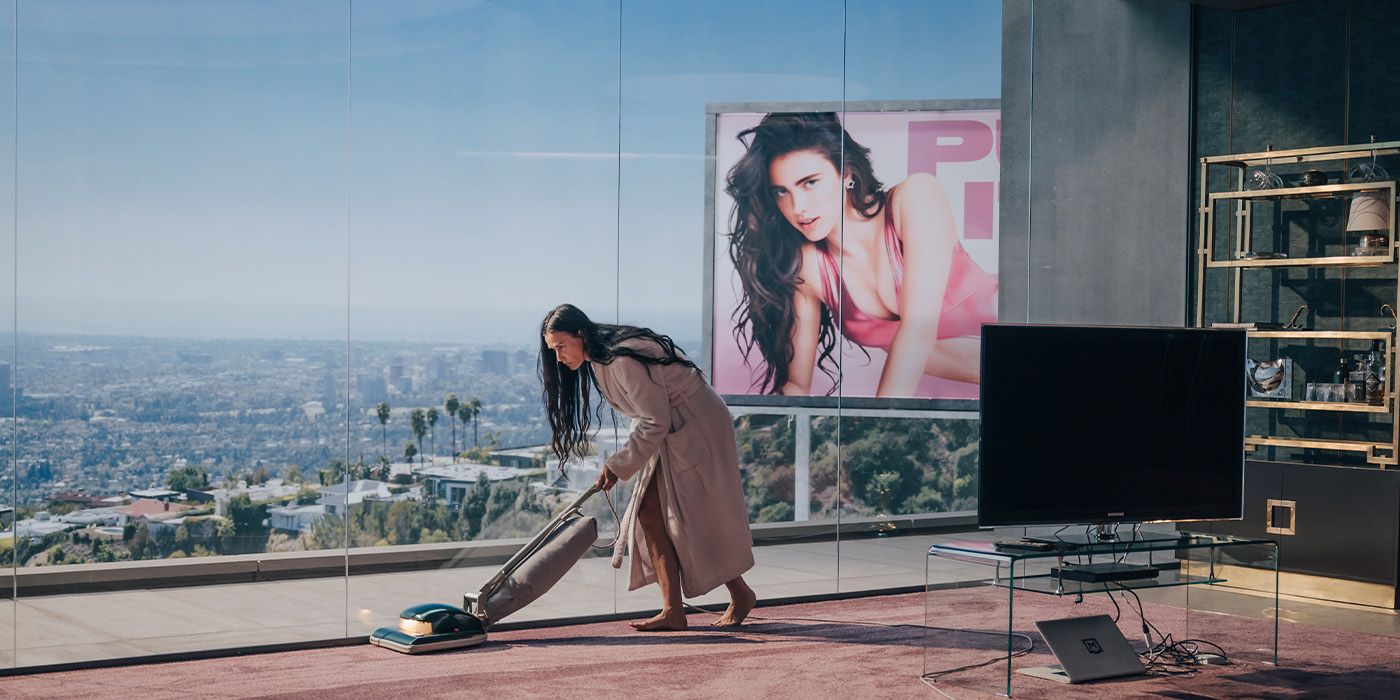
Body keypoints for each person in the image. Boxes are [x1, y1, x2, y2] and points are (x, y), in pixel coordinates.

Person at [725, 112, 998, 398]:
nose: (798, 207)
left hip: (1024, 340)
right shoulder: (811, 269)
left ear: (846, 173)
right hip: (983, 389)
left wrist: (881, 421)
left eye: (810, 183)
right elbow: (796, 385)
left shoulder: (915, 198)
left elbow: (919, 330)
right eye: (782, 192)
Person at [539, 303, 756, 631]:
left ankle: (716, 600)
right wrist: (622, 463)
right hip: (673, 429)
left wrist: (619, 463)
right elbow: (652, 417)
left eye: (560, 346)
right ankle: (682, 607)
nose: (558, 357)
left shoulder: (620, 361)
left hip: (696, 426)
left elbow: (655, 419)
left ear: (580, 334)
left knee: (687, 515)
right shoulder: (600, 361)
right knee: (654, 512)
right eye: (553, 349)